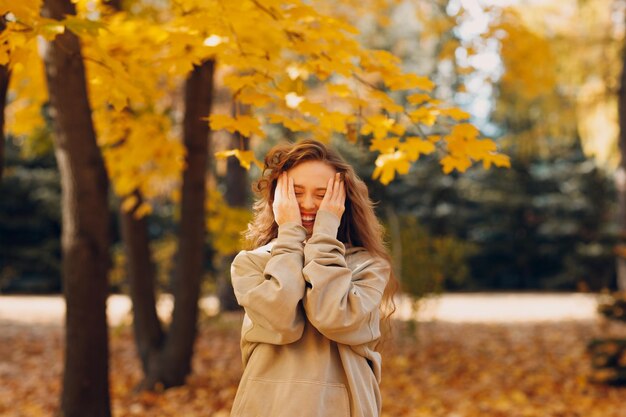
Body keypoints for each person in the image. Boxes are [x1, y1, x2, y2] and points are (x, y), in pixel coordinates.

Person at [229, 139, 398, 417]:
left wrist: (323, 237)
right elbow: (282, 321)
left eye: (322, 194)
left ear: (341, 201)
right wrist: (291, 233)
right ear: (278, 199)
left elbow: (335, 318)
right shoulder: (251, 263)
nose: (308, 204)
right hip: (266, 407)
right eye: (295, 193)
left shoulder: (368, 265)